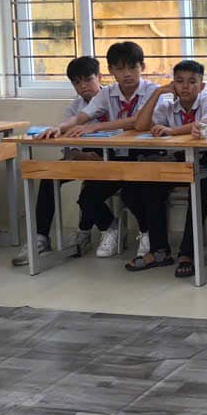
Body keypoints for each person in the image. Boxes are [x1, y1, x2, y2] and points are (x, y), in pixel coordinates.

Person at [41, 41, 157, 259]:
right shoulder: (108, 94)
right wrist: (59, 128)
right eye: (120, 68)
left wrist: (96, 127)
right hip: (113, 157)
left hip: (143, 155)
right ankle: (111, 229)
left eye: (132, 67)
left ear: (142, 67)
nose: (127, 74)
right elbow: (81, 116)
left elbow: (140, 121)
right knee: (88, 197)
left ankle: (147, 233)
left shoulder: (153, 91)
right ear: (111, 70)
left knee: (134, 191)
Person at [124, 59, 207, 278]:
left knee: (200, 191)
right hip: (174, 161)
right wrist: (158, 92)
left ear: (201, 85)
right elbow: (140, 125)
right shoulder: (167, 106)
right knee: (149, 185)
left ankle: (187, 253)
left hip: (205, 163)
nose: (185, 86)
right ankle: (159, 251)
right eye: (179, 81)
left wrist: (172, 131)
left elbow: (205, 123)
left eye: (192, 82)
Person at [10, 55, 104, 265]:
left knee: (91, 187)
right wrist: (80, 156)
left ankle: (86, 231)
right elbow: (67, 144)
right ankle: (40, 238)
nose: (83, 86)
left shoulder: (112, 100)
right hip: (81, 158)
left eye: (88, 79)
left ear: (99, 77)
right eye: (77, 82)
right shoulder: (74, 108)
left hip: (110, 158)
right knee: (48, 176)